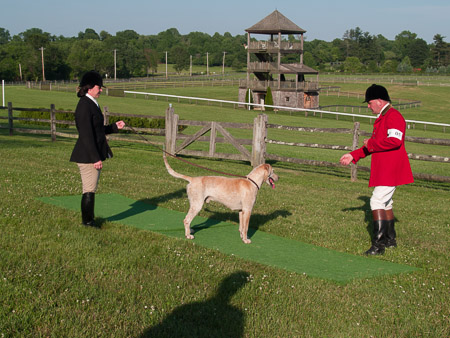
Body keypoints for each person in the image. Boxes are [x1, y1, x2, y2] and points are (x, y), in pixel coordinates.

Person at [340, 84, 414, 255]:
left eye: (370, 102)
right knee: (386, 203)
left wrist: (371, 143)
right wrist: (353, 155)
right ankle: (390, 240)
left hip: (391, 169)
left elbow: (394, 142)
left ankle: (378, 245)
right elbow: (374, 145)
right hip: (387, 169)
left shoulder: (393, 117)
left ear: (380, 101)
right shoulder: (384, 116)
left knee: (376, 201)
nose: (368, 106)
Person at [70, 70, 125, 227]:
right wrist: (95, 158)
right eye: (99, 87)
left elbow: (97, 130)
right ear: (90, 88)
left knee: (90, 188)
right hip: (87, 155)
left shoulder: (91, 103)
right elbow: (86, 135)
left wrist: (114, 127)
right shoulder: (84, 106)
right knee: (89, 189)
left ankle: (89, 220)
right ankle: (88, 222)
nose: (101, 89)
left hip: (90, 154)